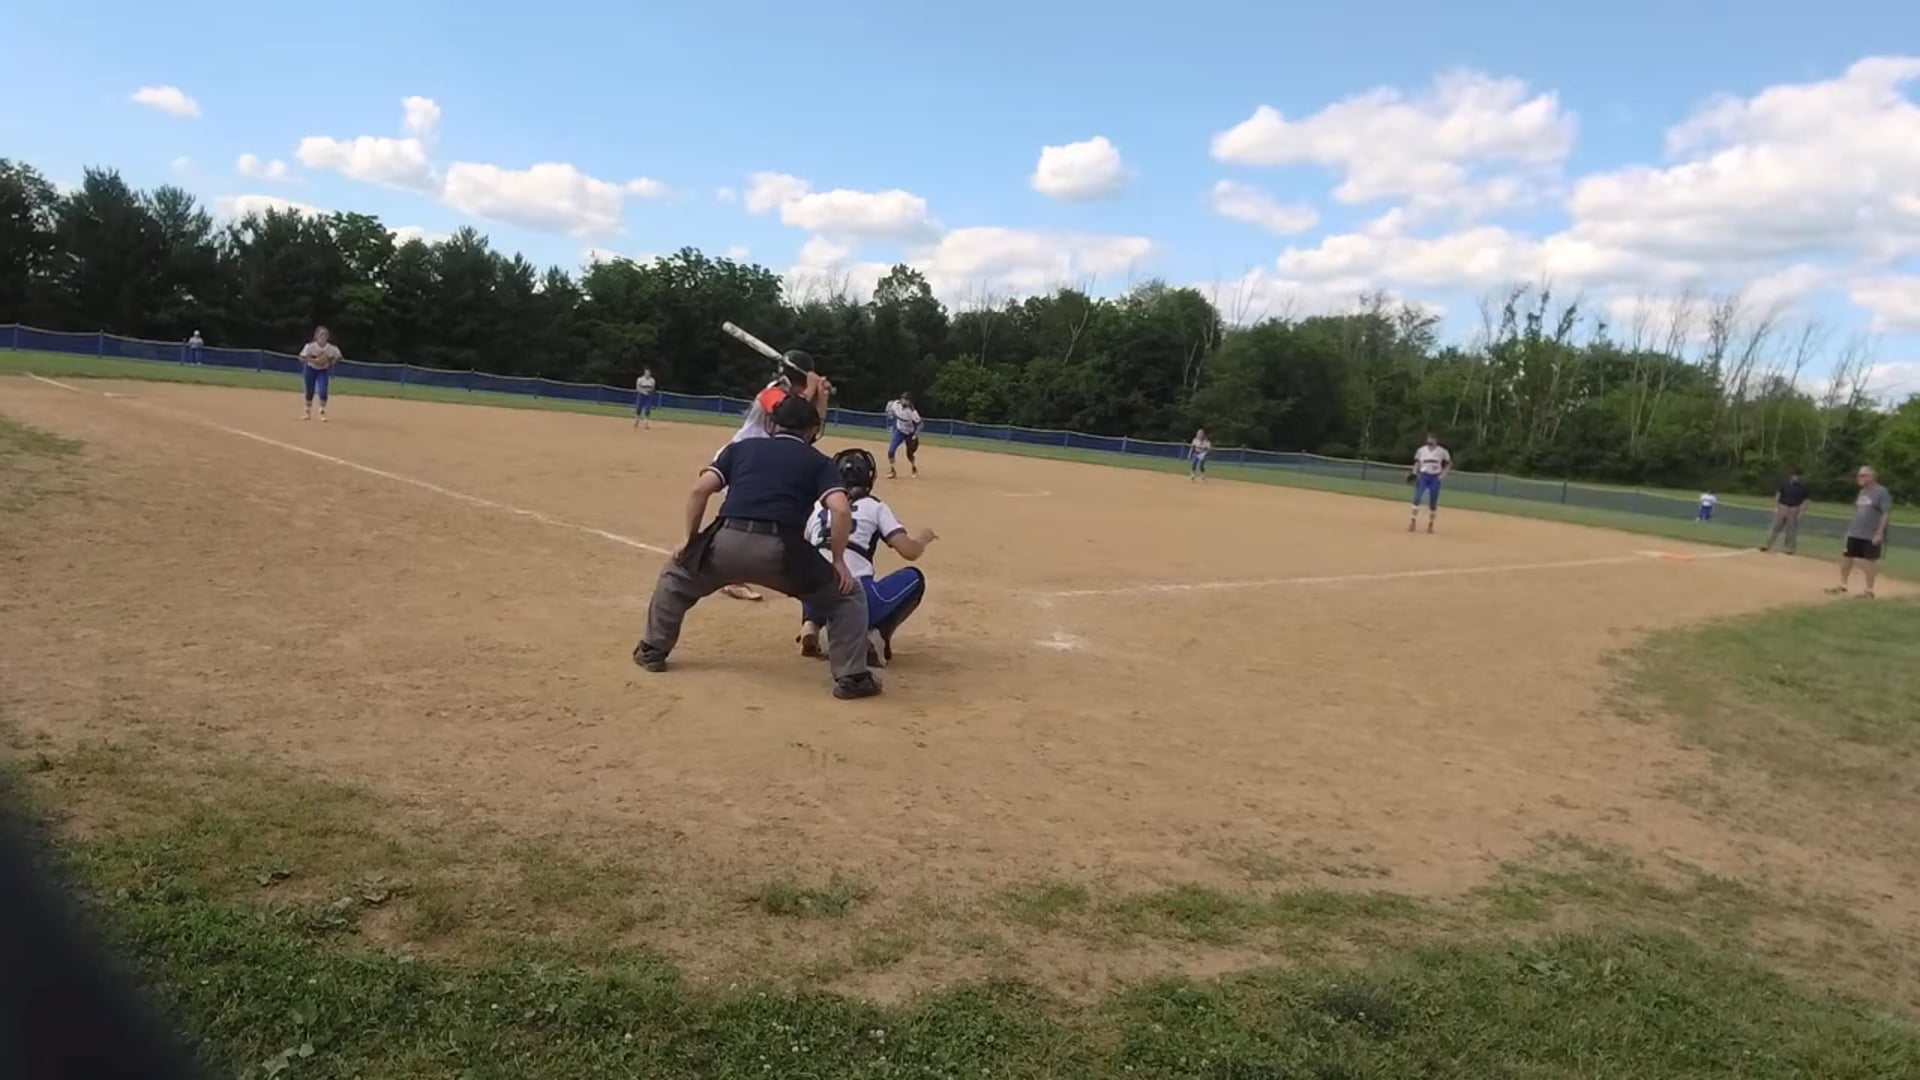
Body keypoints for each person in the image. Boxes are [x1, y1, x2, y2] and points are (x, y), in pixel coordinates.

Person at [635, 393, 881, 699]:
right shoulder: (819, 462)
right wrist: (839, 561)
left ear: (773, 424)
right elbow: (841, 509)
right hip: (784, 553)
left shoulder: (741, 448)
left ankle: (652, 650)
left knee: (676, 578)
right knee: (848, 597)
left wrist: (690, 538)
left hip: (725, 542)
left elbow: (700, 490)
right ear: (813, 430)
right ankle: (852, 678)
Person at [797, 448, 937, 668]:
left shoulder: (818, 506)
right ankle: (877, 636)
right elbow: (909, 551)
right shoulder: (874, 506)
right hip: (856, 596)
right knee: (914, 578)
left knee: (813, 567)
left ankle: (810, 624)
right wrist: (923, 539)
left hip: (817, 597)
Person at [713, 355, 832, 601]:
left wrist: (822, 397)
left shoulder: (797, 399)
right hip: (743, 460)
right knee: (745, 514)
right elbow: (786, 413)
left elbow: (811, 431)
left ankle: (781, 564)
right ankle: (730, 576)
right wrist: (812, 389)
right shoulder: (771, 392)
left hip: (768, 464)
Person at [1828, 466, 1892, 600]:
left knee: (1870, 561)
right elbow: (1857, 513)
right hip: (1855, 532)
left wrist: (1879, 533)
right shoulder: (1862, 492)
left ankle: (1869, 590)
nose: (1859, 478)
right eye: (1859, 475)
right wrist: (1849, 531)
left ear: (1871, 477)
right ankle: (1843, 584)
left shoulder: (1881, 492)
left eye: (1863, 476)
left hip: (1870, 534)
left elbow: (1886, 513)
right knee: (1847, 557)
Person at [1407, 432, 1451, 533]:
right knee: (1417, 498)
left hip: (1435, 478)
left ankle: (1431, 524)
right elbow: (1417, 463)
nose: (1430, 440)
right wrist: (1414, 473)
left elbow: (1449, 463)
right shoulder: (1421, 450)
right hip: (1423, 476)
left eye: (1432, 439)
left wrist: (1442, 475)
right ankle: (1412, 522)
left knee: (1433, 503)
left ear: (1436, 440)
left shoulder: (1442, 451)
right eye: (1429, 438)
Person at [298, 326, 342, 421]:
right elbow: (301, 358)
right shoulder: (310, 346)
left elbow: (338, 357)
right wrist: (314, 361)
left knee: (323, 391)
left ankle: (322, 411)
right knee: (310, 391)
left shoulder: (331, 348)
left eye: (325, 335)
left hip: (323, 371)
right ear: (316, 336)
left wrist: (331, 362)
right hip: (310, 369)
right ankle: (307, 412)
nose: (323, 336)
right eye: (321, 334)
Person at [1760, 472, 1810, 554]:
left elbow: (1806, 500)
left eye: (1798, 476)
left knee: (1791, 529)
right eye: (1795, 476)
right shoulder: (1785, 484)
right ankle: (1767, 545)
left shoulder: (1803, 487)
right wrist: (1776, 506)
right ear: (1791, 476)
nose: (1796, 477)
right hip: (1783, 506)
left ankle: (1789, 549)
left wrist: (1801, 512)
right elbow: (1778, 494)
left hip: (1794, 508)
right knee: (1776, 526)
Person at [884, 392, 923, 479]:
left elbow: (920, 424)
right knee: (891, 451)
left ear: (909, 402)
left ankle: (913, 467)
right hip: (900, 432)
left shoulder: (912, 412)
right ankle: (892, 470)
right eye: (903, 399)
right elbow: (889, 406)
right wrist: (888, 411)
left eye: (907, 400)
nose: (905, 401)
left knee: (909, 454)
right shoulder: (896, 404)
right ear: (901, 399)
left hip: (910, 434)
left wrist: (916, 434)